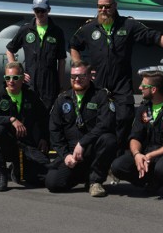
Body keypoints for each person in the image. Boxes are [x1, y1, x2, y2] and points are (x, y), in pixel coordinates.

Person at [70, 0, 163, 147]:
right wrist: (80, 67)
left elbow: (154, 37)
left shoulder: (128, 25)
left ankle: (119, 155)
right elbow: (73, 44)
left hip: (121, 83)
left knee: (125, 118)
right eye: (100, 7)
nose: (103, 10)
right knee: (97, 119)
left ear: (115, 6)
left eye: (107, 6)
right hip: (99, 84)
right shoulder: (89, 28)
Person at [110, 71, 163, 200]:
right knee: (118, 166)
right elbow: (135, 136)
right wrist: (137, 154)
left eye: (144, 86)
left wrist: (150, 155)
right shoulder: (144, 108)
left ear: (153, 90)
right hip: (149, 154)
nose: (140, 88)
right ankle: (152, 181)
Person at [45, 60, 118, 197]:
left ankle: (95, 181)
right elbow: (55, 130)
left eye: (81, 76)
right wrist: (65, 155)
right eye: (73, 77)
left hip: (92, 148)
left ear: (91, 76)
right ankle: (84, 175)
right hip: (72, 154)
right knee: (52, 183)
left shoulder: (101, 96)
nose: (77, 79)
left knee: (109, 139)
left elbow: (106, 124)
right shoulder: (63, 99)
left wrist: (83, 142)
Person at [0, 62, 50, 192]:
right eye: (7, 78)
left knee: (43, 178)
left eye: (15, 78)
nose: (11, 81)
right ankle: (2, 174)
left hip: (26, 144)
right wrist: (10, 119)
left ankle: (16, 171)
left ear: (22, 78)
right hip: (6, 144)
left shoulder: (31, 96)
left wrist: (44, 138)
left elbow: (44, 118)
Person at [6, 0, 66, 112]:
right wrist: (19, 73)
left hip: (50, 85)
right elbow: (10, 49)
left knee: (48, 117)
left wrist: (60, 85)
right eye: (37, 10)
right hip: (30, 83)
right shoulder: (25, 30)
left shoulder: (57, 32)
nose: (40, 13)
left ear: (48, 10)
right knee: (29, 116)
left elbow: (62, 61)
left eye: (42, 10)